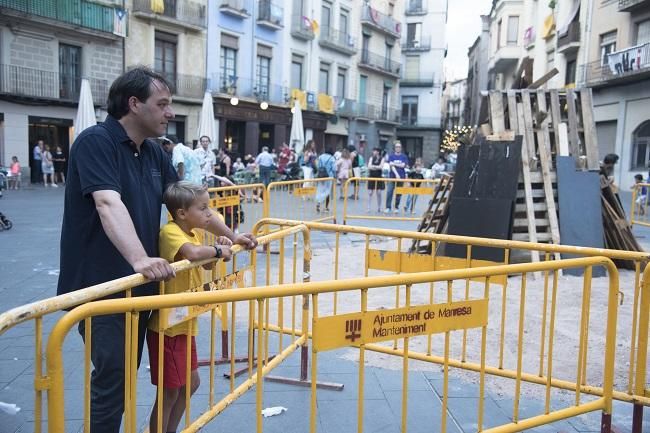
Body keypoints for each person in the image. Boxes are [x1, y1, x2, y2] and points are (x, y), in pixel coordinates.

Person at [56, 67, 258, 433]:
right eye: (162, 104)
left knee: (131, 377)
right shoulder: (95, 142)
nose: (170, 113)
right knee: (113, 382)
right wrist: (140, 258)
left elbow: (192, 204)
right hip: (102, 290)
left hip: (145, 287)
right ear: (134, 104)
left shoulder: (152, 152)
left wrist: (232, 235)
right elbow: (107, 203)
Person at [147, 181, 232, 433]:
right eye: (203, 208)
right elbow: (194, 254)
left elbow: (204, 264)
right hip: (168, 327)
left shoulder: (193, 234)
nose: (209, 214)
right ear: (182, 213)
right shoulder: (171, 232)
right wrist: (217, 249)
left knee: (191, 384)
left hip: (184, 322)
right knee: (170, 393)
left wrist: (219, 248)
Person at [384, 141, 409, 213]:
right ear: (394, 148)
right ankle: (388, 207)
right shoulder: (391, 156)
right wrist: (397, 167)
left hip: (401, 176)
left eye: (399, 147)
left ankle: (396, 207)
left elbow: (403, 165)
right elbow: (391, 165)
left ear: (401, 148)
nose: (398, 148)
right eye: (396, 147)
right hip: (392, 176)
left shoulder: (404, 156)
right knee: (389, 192)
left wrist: (394, 164)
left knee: (399, 193)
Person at [315, 148, 336, 213]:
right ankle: (326, 207)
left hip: (321, 176)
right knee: (327, 191)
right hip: (329, 176)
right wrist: (335, 176)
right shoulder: (332, 158)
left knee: (320, 190)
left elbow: (318, 166)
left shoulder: (321, 156)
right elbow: (334, 168)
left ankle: (318, 203)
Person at [366, 147, 384, 213]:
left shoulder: (382, 158)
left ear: (378, 152)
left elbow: (381, 167)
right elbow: (369, 166)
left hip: (379, 176)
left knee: (379, 193)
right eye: (373, 151)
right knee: (370, 192)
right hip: (371, 176)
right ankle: (368, 207)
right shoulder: (371, 158)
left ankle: (379, 207)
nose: (373, 152)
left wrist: (374, 167)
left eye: (375, 151)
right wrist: (376, 167)